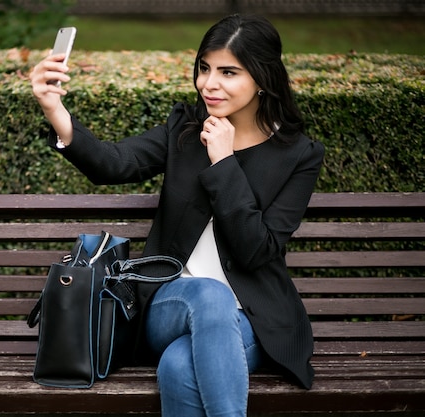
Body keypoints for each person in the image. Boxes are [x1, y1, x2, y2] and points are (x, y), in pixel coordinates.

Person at [30, 14, 324, 417]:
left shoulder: (299, 155)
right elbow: (114, 164)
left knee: (178, 366)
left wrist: (224, 162)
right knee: (208, 294)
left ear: (262, 78)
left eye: (228, 72)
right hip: (169, 303)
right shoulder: (184, 129)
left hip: (252, 320)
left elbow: (257, 251)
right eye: (204, 68)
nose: (209, 83)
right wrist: (54, 109)